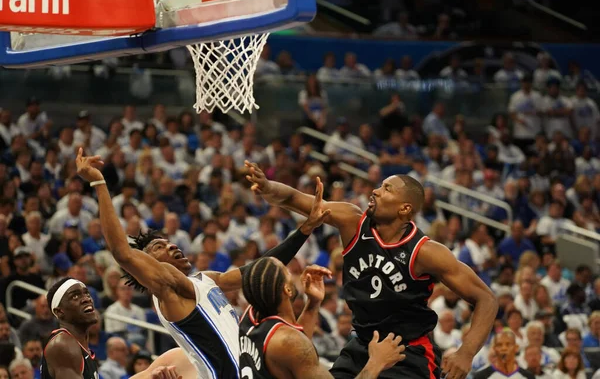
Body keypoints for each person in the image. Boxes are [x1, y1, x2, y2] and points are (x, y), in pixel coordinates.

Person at [76, 149, 331, 379]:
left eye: (168, 243)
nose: (171, 246)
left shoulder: (204, 280)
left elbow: (260, 270)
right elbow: (122, 252)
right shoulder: (168, 289)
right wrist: (99, 183)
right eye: (158, 248)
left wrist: (306, 229)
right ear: (148, 267)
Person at [245, 161, 498, 379]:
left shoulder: (425, 252)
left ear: (405, 208)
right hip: (363, 342)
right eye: (379, 186)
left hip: (406, 351)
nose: (375, 191)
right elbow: (296, 200)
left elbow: (486, 299)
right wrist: (268, 187)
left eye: (386, 188)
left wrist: (466, 353)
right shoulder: (353, 221)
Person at [239, 257, 406, 378]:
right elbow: (295, 346)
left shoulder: (250, 317)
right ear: (288, 290)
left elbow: (293, 350)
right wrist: (376, 362)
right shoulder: (289, 342)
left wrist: (313, 303)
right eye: (287, 272)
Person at [41, 278, 99, 379]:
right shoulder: (62, 345)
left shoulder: (79, 346)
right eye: (75, 296)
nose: (86, 299)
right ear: (59, 311)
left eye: (87, 294)